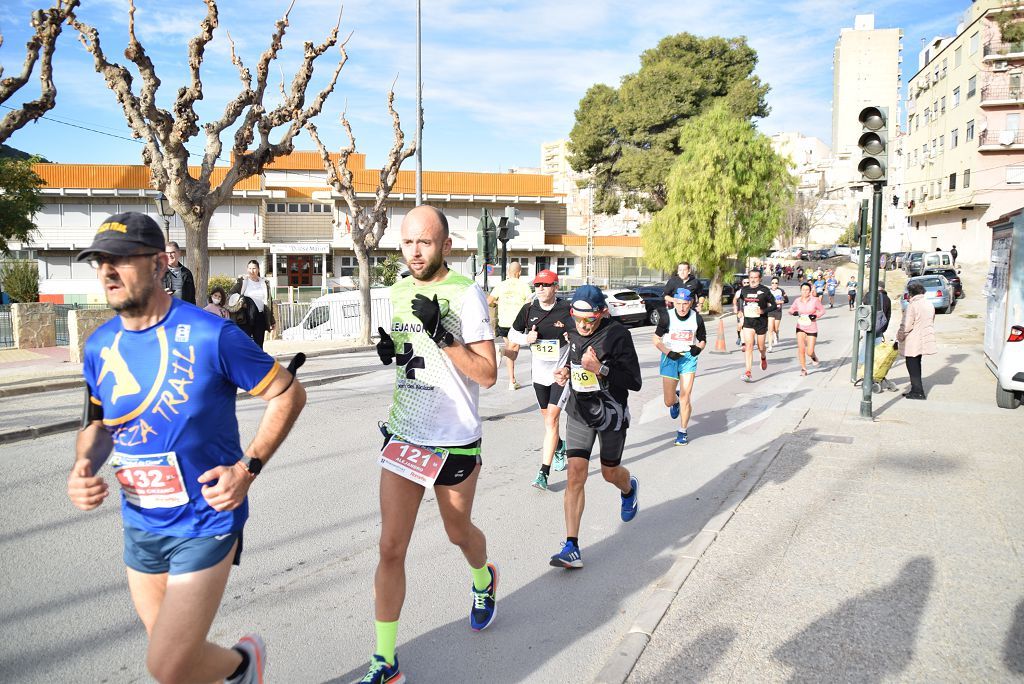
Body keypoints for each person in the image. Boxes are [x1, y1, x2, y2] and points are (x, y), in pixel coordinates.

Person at [66, 212, 307, 684]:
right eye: (99, 262)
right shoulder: (100, 346)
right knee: (176, 658)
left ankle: (243, 664)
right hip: (141, 521)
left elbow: (288, 393)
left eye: (121, 260)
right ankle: (241, 671)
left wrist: (246, 469)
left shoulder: (210, 333)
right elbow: (97, 426)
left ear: (159, 265)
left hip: (205, 520)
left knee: (166, 664)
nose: (108, 272)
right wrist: (83, 466)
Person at [365, 205, 498, 683]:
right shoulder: (398, 290)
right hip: (406, 434)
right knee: (390, 548)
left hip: (454, 440)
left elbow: (488, 373)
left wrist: (443, 334)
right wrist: (394, 352)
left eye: (424, 242)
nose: (415, 252)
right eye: (407, 242)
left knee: (458, 532)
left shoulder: (467, 295)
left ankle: (483, 578)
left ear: (445, 245)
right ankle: (385, 661)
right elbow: (409, 353)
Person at [548, 285, 641, 570]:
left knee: (610, 472)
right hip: (579, 411)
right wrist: (566, 371)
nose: (583, 325)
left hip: (611, 414)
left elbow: (634, 382)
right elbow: (574, 359)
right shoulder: (573, 330)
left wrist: (600, 369)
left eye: (589, 319)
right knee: (576, 474)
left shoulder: (618, 335)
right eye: (578, 318)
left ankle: (628, 488)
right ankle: (571, 546)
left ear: (602, 313)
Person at [506, 268, 573, 490]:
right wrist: (527, 338)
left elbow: (583, 333)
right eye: (538, 285)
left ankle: (543, 473)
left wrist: (570, 336)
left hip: (560, 374)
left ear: (556, 287)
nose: (541, 289)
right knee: (548, 421)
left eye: (545, 285)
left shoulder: (566, 309)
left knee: (552, 420)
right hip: (540, 375)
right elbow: (512, 335)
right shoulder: (528, 309)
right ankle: (560, 446)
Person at [653, 288, 706, 445]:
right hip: (670, 357)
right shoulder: (666, 317)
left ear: (690, 303)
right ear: (674, 302)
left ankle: (682, 431)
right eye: (678, 303)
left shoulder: (696, 318)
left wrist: (698, 348)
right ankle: (674, 401)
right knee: (668, 401)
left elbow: (702, 339)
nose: (682, 307)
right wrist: (668, 352)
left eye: (685, 304)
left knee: (685, 396)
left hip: (688, 358)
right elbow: (656, 339)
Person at [487, 261, 532, 390]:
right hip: (517, 324)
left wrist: (496, 302)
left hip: (503, 323)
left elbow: (488, 301)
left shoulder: (501, 285)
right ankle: (501, 351)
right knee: (513, 353)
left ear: (508, 272)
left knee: (510, 350)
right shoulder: (524, 286)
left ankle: (512, 381)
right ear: (519, 273)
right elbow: (529, 304)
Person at [896, 280, 936, 400]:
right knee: (917, 364)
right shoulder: (929, 304)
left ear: (911, 293)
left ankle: (918, 391)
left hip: (913, 340)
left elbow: (907, 325)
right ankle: (915, 389)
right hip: (923, 337)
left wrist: (900, 336)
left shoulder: (913, 306)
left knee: (912, 365)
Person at [735, 268, 777, 381]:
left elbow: (774, 305)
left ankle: (763, 356)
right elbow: (740, 300)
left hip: (761, 322)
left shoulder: (765, 290)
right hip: (748, 322)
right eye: (751, 277)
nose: (753, 280)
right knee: (749, 346)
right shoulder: (744, 290)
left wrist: (763, 311)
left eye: (755, 277)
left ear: (760, 279)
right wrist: (739, 311)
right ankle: (748, 372)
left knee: (760, 347)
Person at [230, 260, 275, 349]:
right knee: (245, 343)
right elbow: (231, 294)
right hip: (245, 317)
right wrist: (242, 302)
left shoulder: (264, 283)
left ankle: (258, 362)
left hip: (260, 316)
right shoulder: (243, 282)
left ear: (258, 269)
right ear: (247, 269)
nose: (252, 271)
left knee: (259, 345)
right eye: (250, 268)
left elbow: (269, 301)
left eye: (254, 268)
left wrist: (272, 320)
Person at [789, 282, 825, 375]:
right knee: (801, 349)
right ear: (800, 290)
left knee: (809, 351)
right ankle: (803, 369)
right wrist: (794, 312)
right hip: (800, 327)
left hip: (812, 327)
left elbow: (822, 310)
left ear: (810, 291)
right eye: (803, 290)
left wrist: (815, 315)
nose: (805, 292)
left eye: (807, 290)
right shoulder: (797, 300)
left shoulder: (815, 300)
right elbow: (790, 310)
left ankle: (814, 357)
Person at [767, 277, 788, 351]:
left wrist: (780, 302)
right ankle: (770, 346)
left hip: (778, 311)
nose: (774, 284)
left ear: (778, 284)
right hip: (770, 311)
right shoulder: (768, 291)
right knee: (770, 329)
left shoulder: (781, 291)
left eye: (776, 283)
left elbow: (786, 300)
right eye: (773, 283)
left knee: (775, 328)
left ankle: (776, 334)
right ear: (771, 283)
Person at [733, 275, 749, 346]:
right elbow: (735, 299)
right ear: (742, 283)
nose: (746, 284)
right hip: (741, 311)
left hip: (749, 311)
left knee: (748, 326)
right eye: (745, 283)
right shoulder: (739, 291)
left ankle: (747, 340)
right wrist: (735, 307)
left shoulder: (752, 291)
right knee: (740, 326)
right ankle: (739, 337)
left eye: (747, 282)